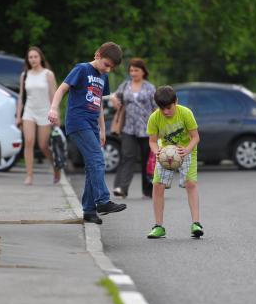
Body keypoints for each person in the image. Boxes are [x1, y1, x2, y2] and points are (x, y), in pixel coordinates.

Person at [48, 42, 127, 225]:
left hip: (92, 124)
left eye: (111, 68)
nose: (108, 70)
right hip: (77, 121)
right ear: (98, 55)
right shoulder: (82, 69)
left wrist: (101, 129)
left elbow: (98, 104)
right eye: (106, 65)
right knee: (97, 159)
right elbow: (62, 88)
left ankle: (89, 210)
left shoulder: (103, 77)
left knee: (93, 164)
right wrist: (54, 109)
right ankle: (102, 201)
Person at [146, 85, 203, 238]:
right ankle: (158, 226)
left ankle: (196, 224)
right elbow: (152, 141)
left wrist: (187, 150)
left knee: (190, 184)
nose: (166, 111)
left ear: (176, 101)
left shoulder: (186, 113)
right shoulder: (154, 118)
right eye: (162, 108)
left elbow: (195, 137)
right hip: (165, 154)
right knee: (157, 186)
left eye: (169, 108)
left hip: (187, 151)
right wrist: (156, 151)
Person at [111, 58, 156, 198]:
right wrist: (114, 99)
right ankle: (121, 188)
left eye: (136, 70)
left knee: (147, 159)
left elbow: (156, 108)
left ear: (143, 71)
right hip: (128, 128)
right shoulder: (125, 86)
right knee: (127, 157)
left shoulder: (150, 87)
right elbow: (115, 98)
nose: (133, 73)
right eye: (131, 70)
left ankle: (148, 190)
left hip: (147, 128)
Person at [16, 46, 61, 185]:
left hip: (45, 112)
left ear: (40, 57)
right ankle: (29, 175)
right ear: (28, 60)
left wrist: (56, 114)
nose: (33, 59)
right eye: (30, 57)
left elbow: (54, 95)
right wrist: (18, 116)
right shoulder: (25, 75)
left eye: (35, 56)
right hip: (29, 111)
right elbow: (21, 97)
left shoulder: (48, 74)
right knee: (28, 142)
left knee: (43, 145)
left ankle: (56, 167)